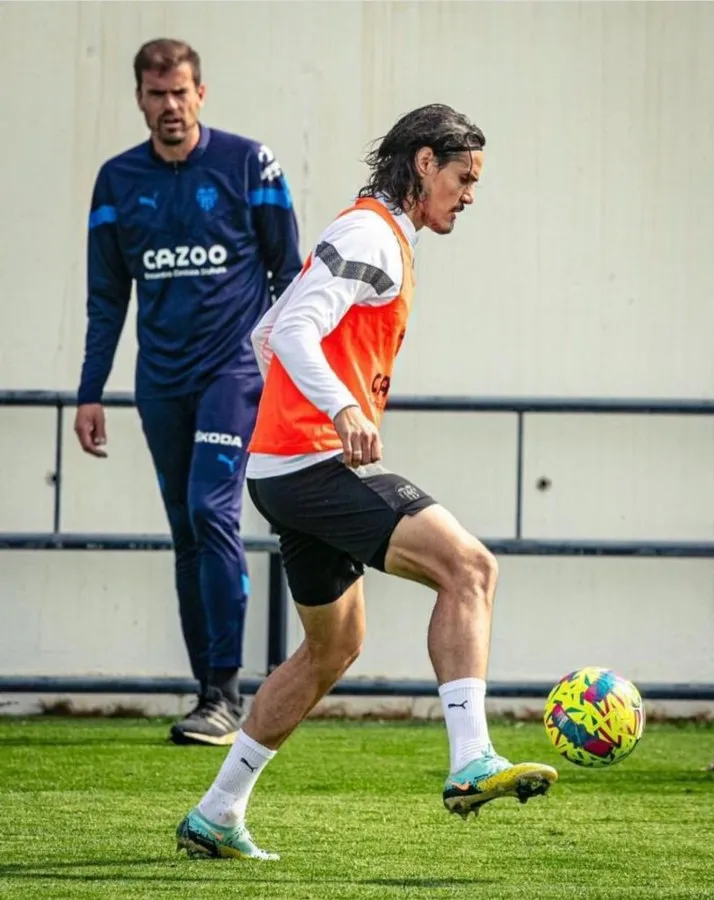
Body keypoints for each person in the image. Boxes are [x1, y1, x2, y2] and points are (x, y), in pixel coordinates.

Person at [175, 103, 558, 860]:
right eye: (462, 176)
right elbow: (288, 331)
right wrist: (340, 410)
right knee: (470, 568)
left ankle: (217, 812)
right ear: (423, 163)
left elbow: (265, 331)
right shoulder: (371, 236)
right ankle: (470, 759)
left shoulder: (375, 233)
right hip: (311, 463)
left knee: (331, 648)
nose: (469, 194)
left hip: (288, 465)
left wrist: (295, 419)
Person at [74, 38, 302, 747]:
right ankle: (209, 693)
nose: (169, 106)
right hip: (159, 382)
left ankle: (227, 692)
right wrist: (89, 392)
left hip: (232, 373)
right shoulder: (117, 182)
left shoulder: (247, 162)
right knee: (186, 531)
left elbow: (288, 274)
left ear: (200, 93)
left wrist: (281, 371)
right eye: (155, 94)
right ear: (139, 99)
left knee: (212, 510)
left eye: (180, 92)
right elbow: (107, 297)